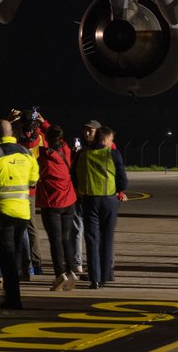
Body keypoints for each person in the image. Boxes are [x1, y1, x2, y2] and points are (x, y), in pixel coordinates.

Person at [0, 118, 39, 311]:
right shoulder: (26, 153)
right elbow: (33, 180)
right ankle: (14, 296)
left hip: (0, 212)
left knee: (6, 258)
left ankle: (13, 299)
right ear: (11, 134)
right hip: (22, 212)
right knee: (14, 255)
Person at [73, 124, 127, 290]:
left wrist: (82, 190)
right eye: (111, 139)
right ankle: (105, 275)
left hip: (89, 200)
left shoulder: (82, 154)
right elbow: (123, 180)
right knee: (107, 238)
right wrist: (117, 190)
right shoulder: (113, 154)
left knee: (92, 239)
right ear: (104, 139)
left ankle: (94, 279)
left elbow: (74, 175)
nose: (112, 142)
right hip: (109, 200)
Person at [37, 125, 79, 290]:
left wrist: (37, 130)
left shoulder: (44, 158)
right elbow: (56, 135)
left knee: (55, 240)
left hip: (52, 203)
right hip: (68, 200)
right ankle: (71, 271)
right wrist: (44, 123)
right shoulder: (66, 150)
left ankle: (59, 274)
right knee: (66, 238)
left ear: (47, 139)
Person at [13, 107, 48, 277]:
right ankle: (37, 263)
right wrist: (43, 123)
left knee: (16, 228)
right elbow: (54, 139)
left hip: (15, 187)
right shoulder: (40, 138)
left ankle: (22, 263)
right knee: (32, 226)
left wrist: (10, 120)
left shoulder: (15, 141)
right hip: (32, 187)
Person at [66, 118, 102, 275]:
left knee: (93, 232)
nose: (87, 133)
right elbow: (73, 172)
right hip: (81, 197)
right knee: (77, 230)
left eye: (90, 130)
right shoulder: (81, 151)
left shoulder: (106, 150)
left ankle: (96, 264)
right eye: (85, 130)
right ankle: (78, 263)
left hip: (96, 198)